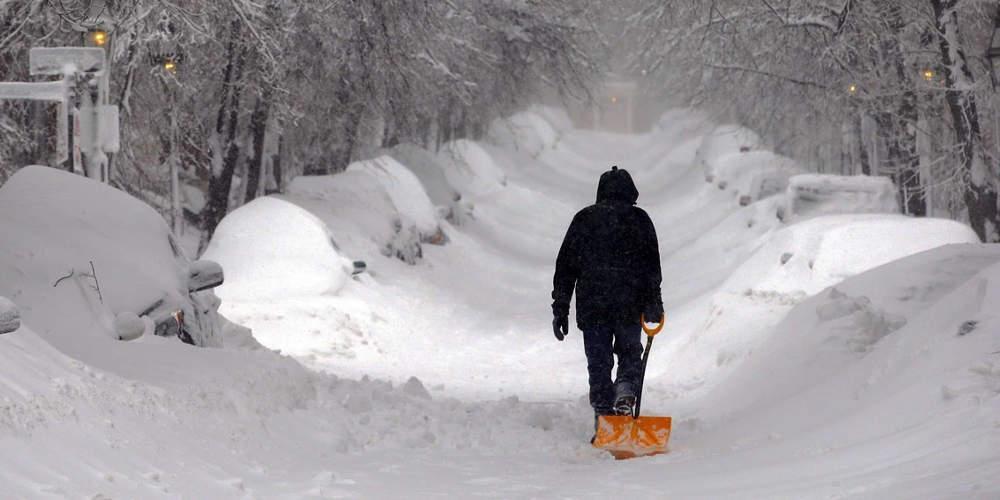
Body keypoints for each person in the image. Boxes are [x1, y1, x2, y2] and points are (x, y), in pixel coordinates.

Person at [551, 166, 663, 423]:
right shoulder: (640, 220)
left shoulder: (584, 219)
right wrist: (654, 302)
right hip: (629, 304)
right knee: (629, 353)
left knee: (599, 362)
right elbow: (651, 267)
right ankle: (625, 391)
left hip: (594, 306)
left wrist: (561, 307)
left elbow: (566, 267)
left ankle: (603, 413)